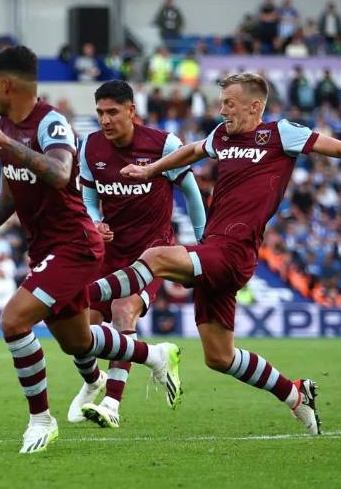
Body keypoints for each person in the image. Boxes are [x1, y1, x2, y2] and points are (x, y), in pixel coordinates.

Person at [87, 72, 341, 436]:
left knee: (155, 256)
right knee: (219, 357)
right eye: (221, 104)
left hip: (234, 251)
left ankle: (78, 297)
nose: (222, 111)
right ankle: (295, 394)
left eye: (229, 104)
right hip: (211, 249)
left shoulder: (281, 134)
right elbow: (193, 150)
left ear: (254, 105)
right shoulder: (222, 137)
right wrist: (152, 169)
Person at [0, 46, 180, 454]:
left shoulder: (51, 124)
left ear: (8, 83)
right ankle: (154, 355)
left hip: (74, 246)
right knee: (78, 342)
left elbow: (59, 171)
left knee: (14, 321)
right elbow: (12, 185)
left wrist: (3, 141)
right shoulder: (5, 125)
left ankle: (41, 420)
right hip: (44, 247)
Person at [68, 80, 206, 428]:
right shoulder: (90, 148)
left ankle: (112, 404)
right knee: (82, 333)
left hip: (151, 253)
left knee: (123, 309)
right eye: (100, 112)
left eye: (112, 112)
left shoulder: (163, 145)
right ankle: (120, 371)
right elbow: (88, 197)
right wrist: (96, 221)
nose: (105, 119)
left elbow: (190, 191)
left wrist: (205, 242)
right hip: (108, 252)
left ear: (132, 111)